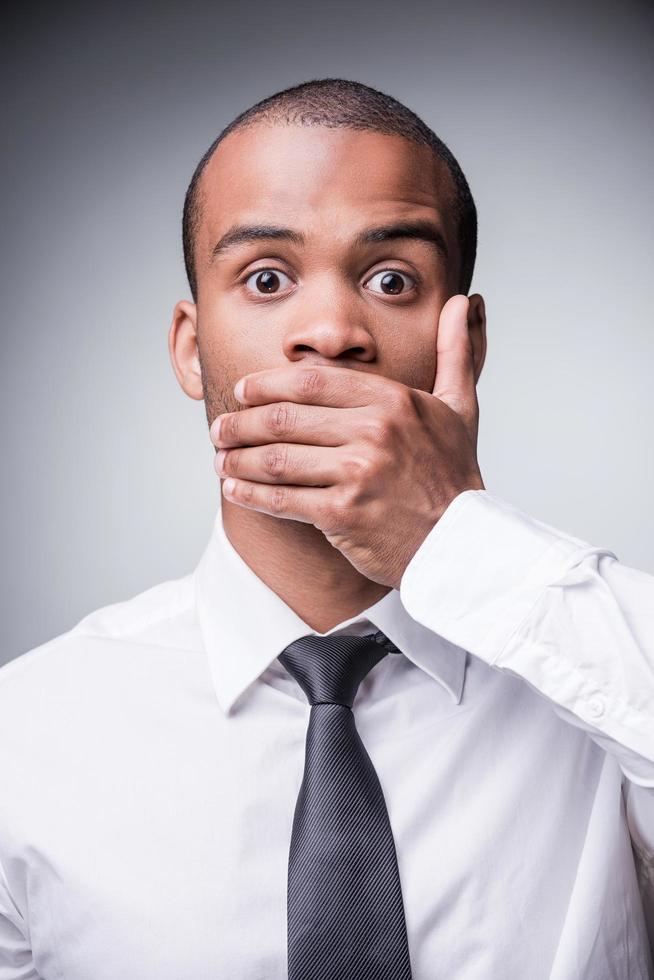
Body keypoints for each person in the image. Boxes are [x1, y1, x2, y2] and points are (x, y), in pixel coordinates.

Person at [0, 77, 652, 980]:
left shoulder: (598, 694)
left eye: (392, 279)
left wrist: (456, 535)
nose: (332, 331)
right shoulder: (24, 737)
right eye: (266, 278)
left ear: (470, 341)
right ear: (192, 349)